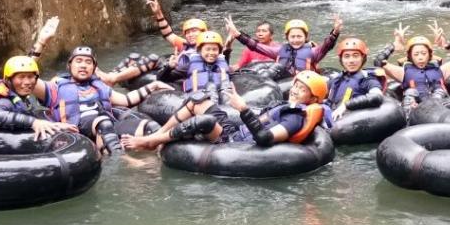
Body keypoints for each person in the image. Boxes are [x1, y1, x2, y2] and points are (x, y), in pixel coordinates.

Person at [123, 70, 331, 149]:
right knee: (198, 100)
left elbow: (264, 138)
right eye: (295, 85)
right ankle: (158, 136)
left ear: (313, 98)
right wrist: (242, 109)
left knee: (206, 121)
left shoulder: (294, 118)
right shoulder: (285, 106)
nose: (294, 90)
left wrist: (243, 109)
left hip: (234, 144)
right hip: (235, 132)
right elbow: (261, 118)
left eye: (302, 89)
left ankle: (151, 141)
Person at [48, 45, 170, 154]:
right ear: (69, 65)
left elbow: (126, 100)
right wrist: (41, 43)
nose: (83, 65)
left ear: (94, 68)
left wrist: (153, 86)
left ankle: (160, 158)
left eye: (88, 62)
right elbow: (35, 83)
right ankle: (122, 160)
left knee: (151, 127)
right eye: (78, 61)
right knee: (103, 122)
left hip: (108, 128)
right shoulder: (56, 86)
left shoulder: (98, 86)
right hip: (78, 131)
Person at [0, 15, 72, 136]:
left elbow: (26, 65)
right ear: (8, 80)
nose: (27, 82)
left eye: (30, 77)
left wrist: (55, 125)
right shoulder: (4, 100)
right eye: (21, 77)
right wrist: (33, 122)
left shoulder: (20, 96)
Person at [381, 22, 450, 108]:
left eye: (424, 53)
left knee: (439, 92)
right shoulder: (403, 72)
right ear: (410, 57)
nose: (420, 57)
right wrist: (394, 45)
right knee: (410, 93)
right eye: (416, 54)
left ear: (429, 54)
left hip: (441, 107)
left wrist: (446, 44)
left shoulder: (441, 70)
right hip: (416, 110)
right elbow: (379, 62)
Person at [325, 37, 385, 123]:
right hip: (331, 118)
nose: (351, 61)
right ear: (341, 59)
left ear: (362, 58)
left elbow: (377, 96)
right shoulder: (337, 79)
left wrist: (346, 105)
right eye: (346, 56)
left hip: (350, 123)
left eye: (355, 56)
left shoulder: (367, 79)